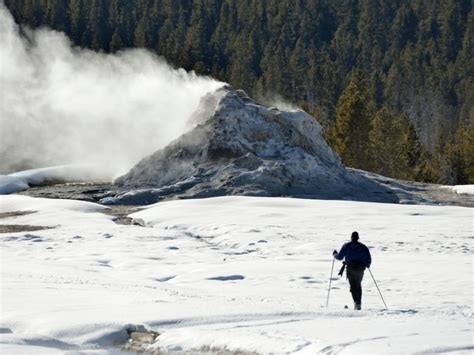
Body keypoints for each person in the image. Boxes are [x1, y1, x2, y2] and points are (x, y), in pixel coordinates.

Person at [333, 231, 371, 310]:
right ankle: (358, 304)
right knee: (358, 285)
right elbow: (368, 259)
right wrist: (367, 265)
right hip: (360, 269)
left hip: (351, 268)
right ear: (358, 238)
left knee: (353, 286)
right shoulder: (363, 247)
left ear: (351, 237)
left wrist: (334, 255)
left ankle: (356, 303)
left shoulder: (347, 246)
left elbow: (340, 257)